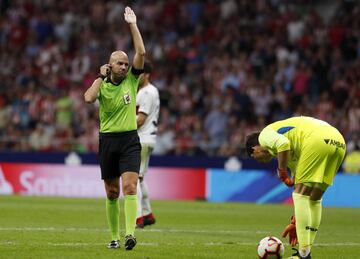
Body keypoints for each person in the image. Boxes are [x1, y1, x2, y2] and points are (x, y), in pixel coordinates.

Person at [84, 6, 145, 250]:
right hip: (108, 141)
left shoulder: (132, 79)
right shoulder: (102, 85)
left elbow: (141, 51)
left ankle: (130, 234)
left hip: (130, 140)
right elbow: (88, 98)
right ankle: (114, 236)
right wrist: (99, 78)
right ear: (109, 65)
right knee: (111, 192)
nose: (124, 66)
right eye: (119, 63)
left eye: (126, 64)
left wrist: (133, 24)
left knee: (130, 186)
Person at [245, 116, 346, 259]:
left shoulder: (264, 135)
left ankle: (304, 255)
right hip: (338, 142)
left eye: (255, 157)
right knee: (314, 198)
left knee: (300, 196)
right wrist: (296, 222)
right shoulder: (293, 154)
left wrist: (282, 171)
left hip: (316, 140)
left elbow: (283, 143)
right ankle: (305, 252)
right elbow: (301, 188)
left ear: (254, 149)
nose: (260, 161)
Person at [135, 62, 160, 228]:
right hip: (147, 138)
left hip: (142, 138)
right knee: (140, 178)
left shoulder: (146, 92)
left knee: (132, 178)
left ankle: (137, 218)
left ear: (147, 74)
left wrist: (122, 127)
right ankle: (148, 214)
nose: (137, 76)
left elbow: (141, 119)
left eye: (140, 73)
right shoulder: (150, 91)